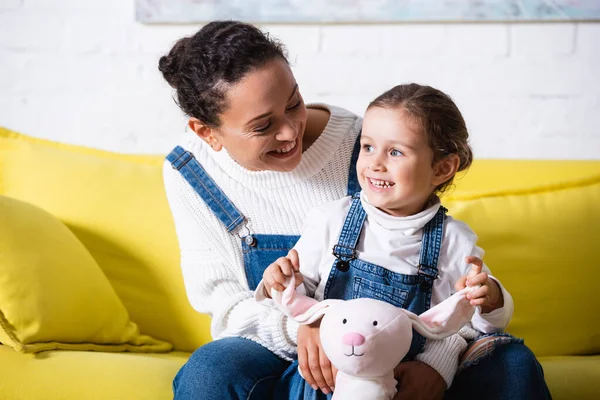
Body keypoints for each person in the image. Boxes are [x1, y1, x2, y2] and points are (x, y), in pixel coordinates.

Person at [159, 20, 551, 400]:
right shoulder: (191, 174)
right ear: (206, 132)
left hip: (412, 345)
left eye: (294, 103)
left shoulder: (373, 143)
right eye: (263, 126)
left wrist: (439, 363)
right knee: (209, 373)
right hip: (290, 343)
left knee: (513, 365)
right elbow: (225, 303)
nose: (290, 131)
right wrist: (305, 324)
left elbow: (450, 292)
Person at [256, 82, 515, 395]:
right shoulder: (331, 219)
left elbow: (474, 327)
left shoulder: (454, 241)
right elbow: (296, 298)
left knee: (513, 358)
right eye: (367, 147)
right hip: (330, 379)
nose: (375, 163)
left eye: (395, 152)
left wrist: (491, 299)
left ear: (442, 168)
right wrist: (281, 282)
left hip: (408, 382)